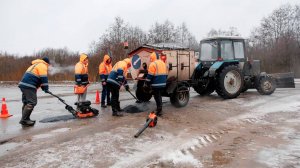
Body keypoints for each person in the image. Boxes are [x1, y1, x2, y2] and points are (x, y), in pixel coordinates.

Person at [18, 57, 50, 126]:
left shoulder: (35, 65)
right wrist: (46, 88)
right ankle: (24, 120)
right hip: (29, 85)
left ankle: (26, 119)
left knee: (26, 102)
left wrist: (43, 87)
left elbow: (38, 78)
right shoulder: (43, 65)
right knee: (32, 102)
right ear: (47, 63)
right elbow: (44, 78)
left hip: (23, 85)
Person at [144, 52, 167, 116]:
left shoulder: (153, 64)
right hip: (163, 83)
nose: (150, 59)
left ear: (152, 57)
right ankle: (159, 109)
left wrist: (146, 82)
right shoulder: (163, 63)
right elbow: (166, 73)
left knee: (157, 97)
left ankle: (159, 111)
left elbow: (150, 76)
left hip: (156, 84)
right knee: (159, 96)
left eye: (151, 58)